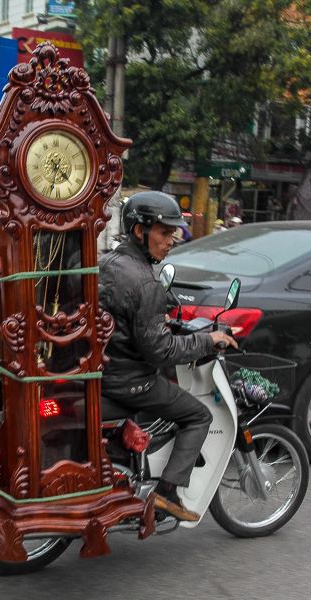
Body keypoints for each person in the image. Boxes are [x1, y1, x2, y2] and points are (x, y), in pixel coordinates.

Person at [98, 191, 237, 521]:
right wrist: (208, 340)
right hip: (129, 381)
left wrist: (166, 322)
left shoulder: (107, 263)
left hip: (104, 372)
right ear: (138, 231)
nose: (171, 240)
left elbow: (125, 319)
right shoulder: (145, 282)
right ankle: (167, 493)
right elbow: (160, 352)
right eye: (164, 232)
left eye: (173, 232)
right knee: (197, 415)